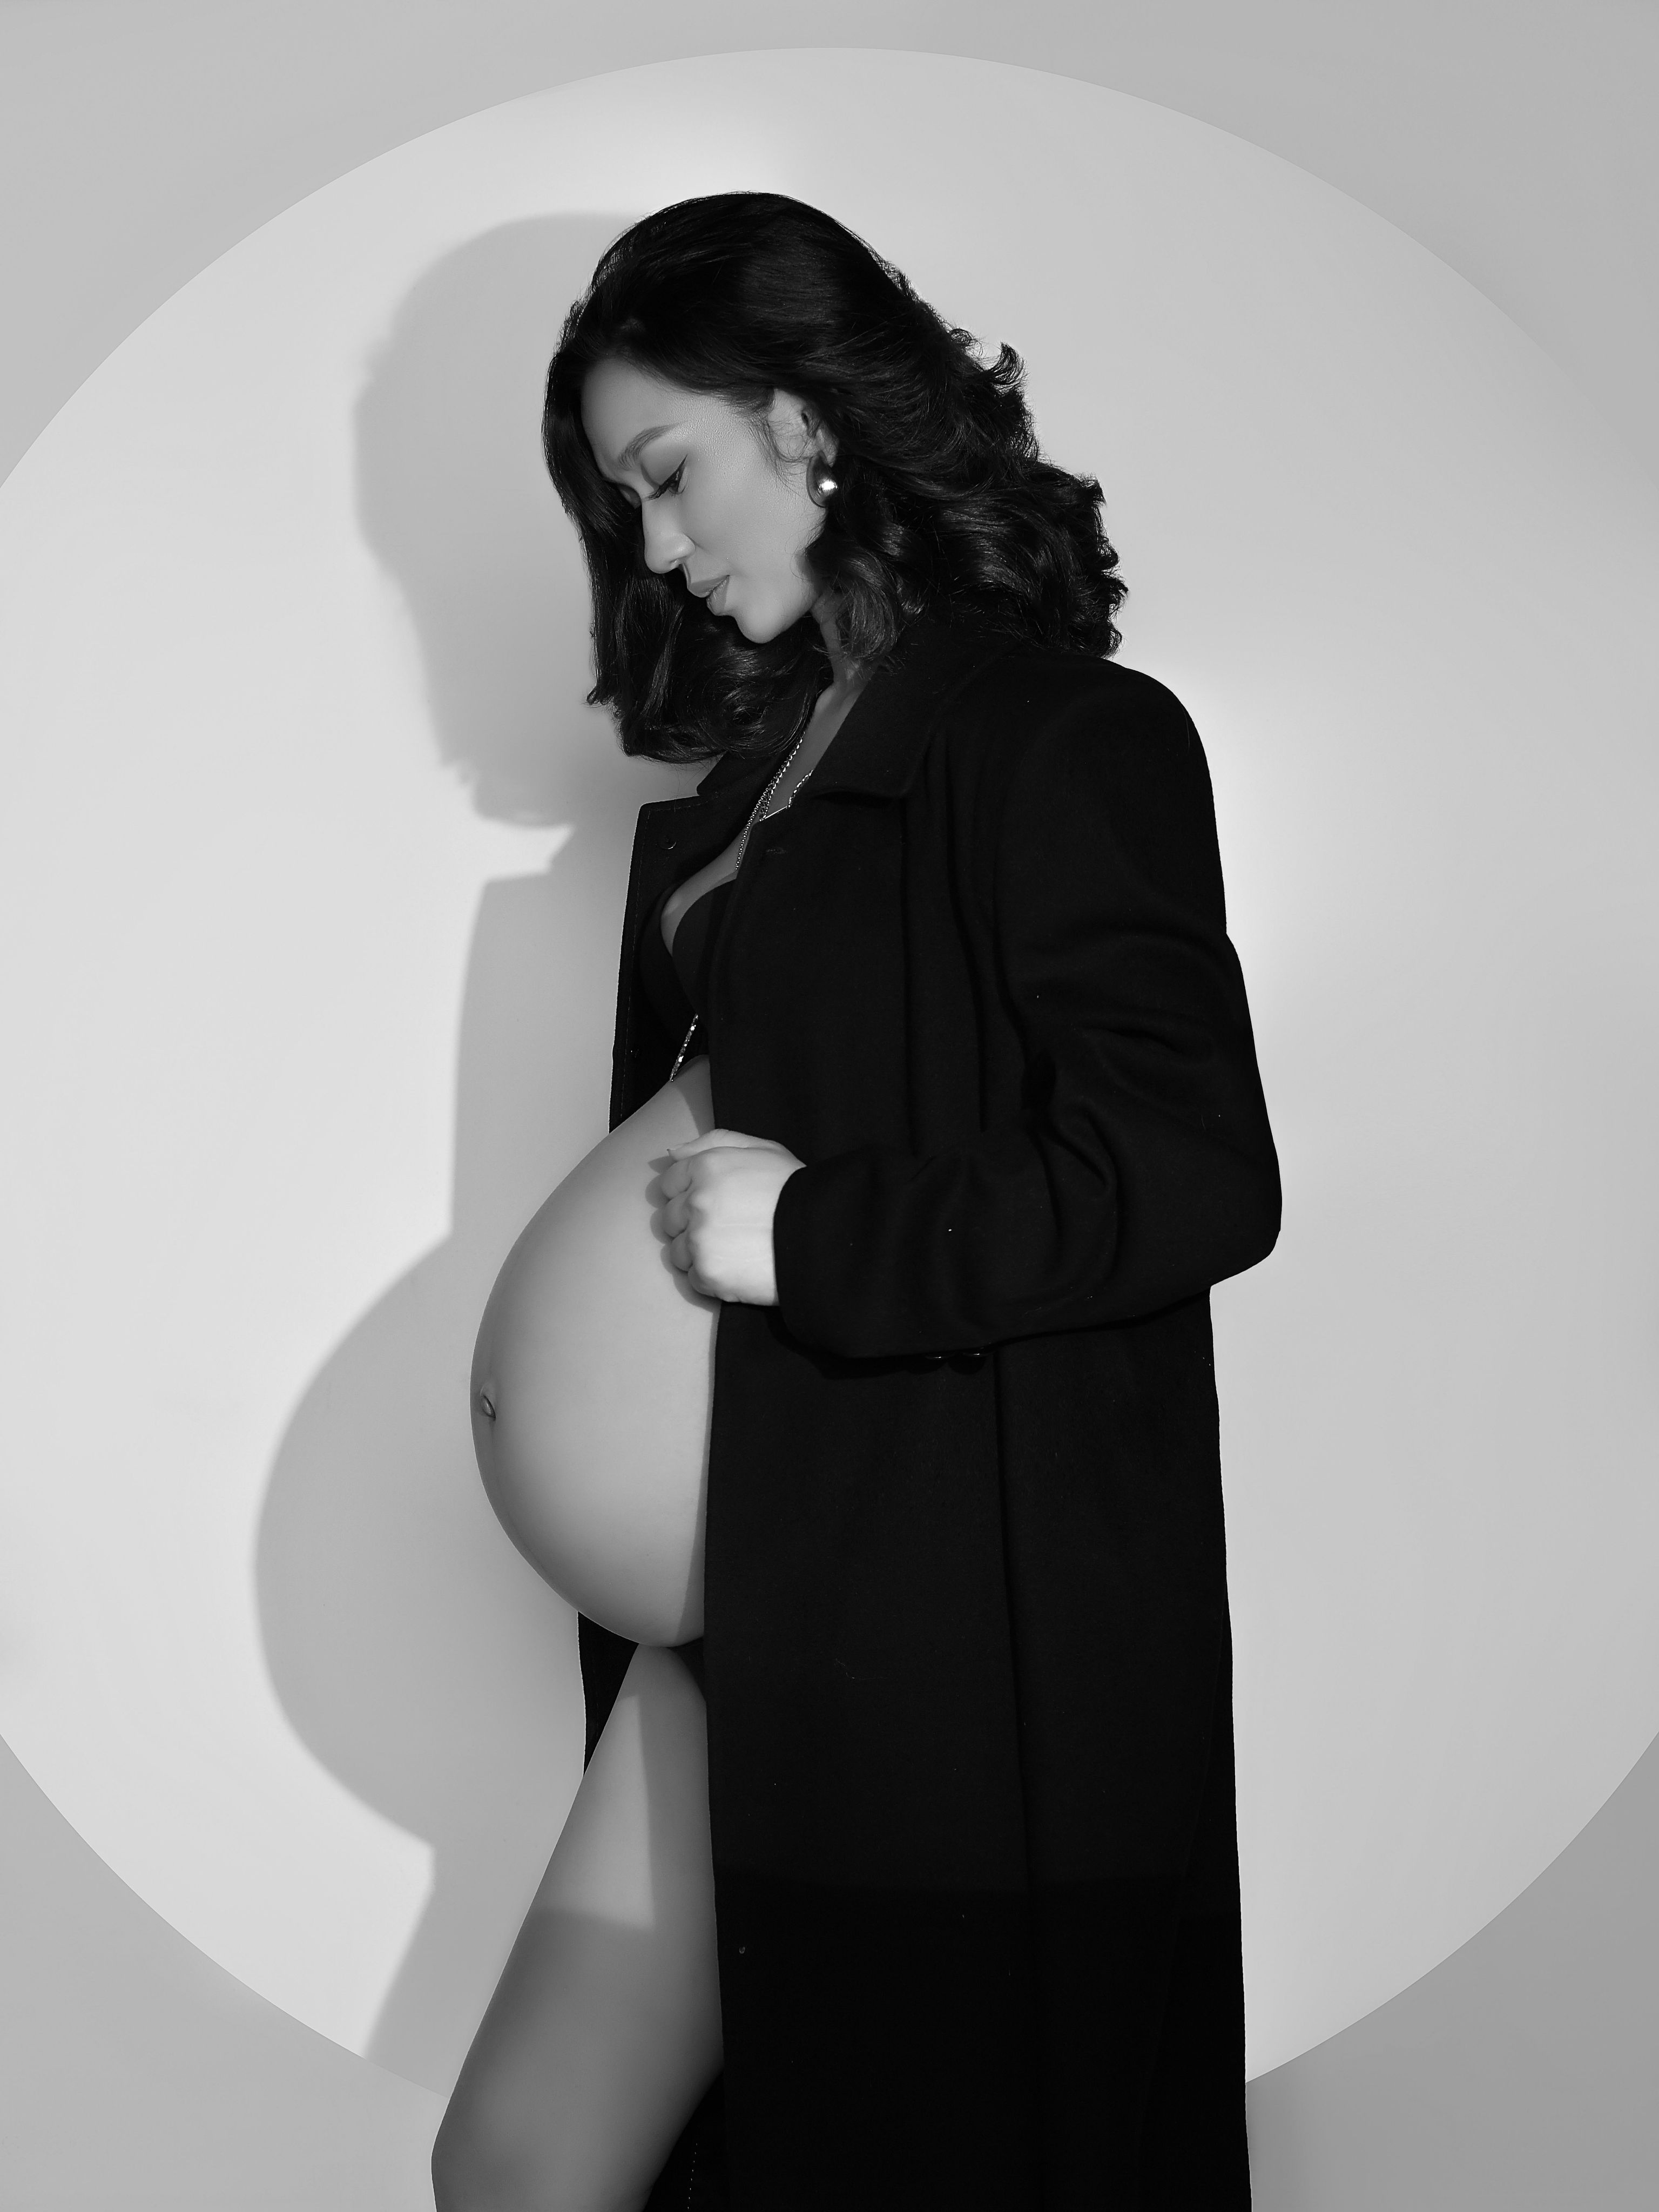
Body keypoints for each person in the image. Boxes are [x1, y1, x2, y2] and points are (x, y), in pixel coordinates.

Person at [432, 191, 1280, 2212]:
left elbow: (1192, 1172)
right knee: (521, 2166)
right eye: (624, 506)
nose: (653, 548)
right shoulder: (751, 786)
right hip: (751, 1597)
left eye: (667, 474)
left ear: (806, 417)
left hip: (927, 1617)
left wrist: (811, 1239)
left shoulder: (1067, 736)